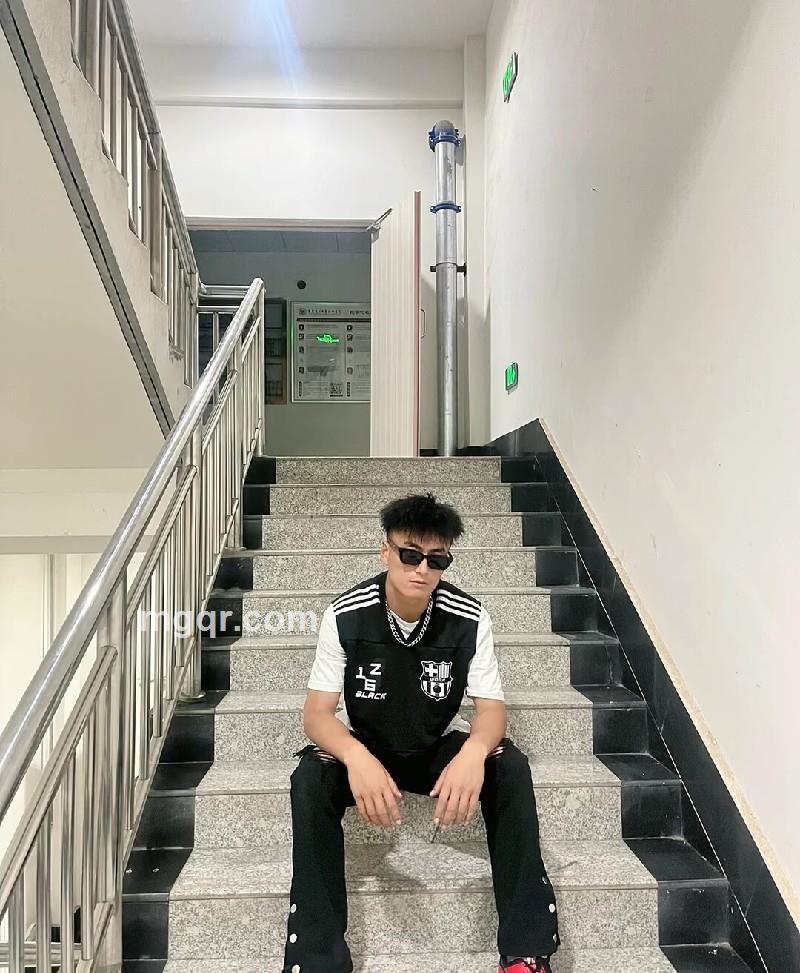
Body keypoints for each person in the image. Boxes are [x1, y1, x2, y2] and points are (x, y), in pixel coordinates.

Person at [282, 492, 560, 973]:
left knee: (509, 765)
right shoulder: (345, 615)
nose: (422, 569)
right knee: (310, 778)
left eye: (437, 559)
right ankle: (316, 961)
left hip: (435, 748)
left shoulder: (469, 617)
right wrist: (357, 757)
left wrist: (474, 751)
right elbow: (317, 715)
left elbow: (492, 711)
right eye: (410, 555)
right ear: (386, 552)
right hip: (368, 746)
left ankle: (525, 952)